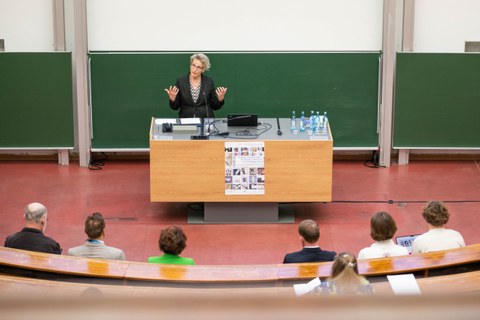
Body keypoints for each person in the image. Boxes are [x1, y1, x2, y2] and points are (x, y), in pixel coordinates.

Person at [164, 53, 227, 118]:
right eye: (193, 65)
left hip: (205, 120)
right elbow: (175, 107)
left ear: (203, 69)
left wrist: (220, 99)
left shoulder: (208, 82)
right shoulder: (181, 81)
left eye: (198, 67)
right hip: (186, 120)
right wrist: (173, 99)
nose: (195, 69)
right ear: (190, 65)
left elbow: (215, 107)